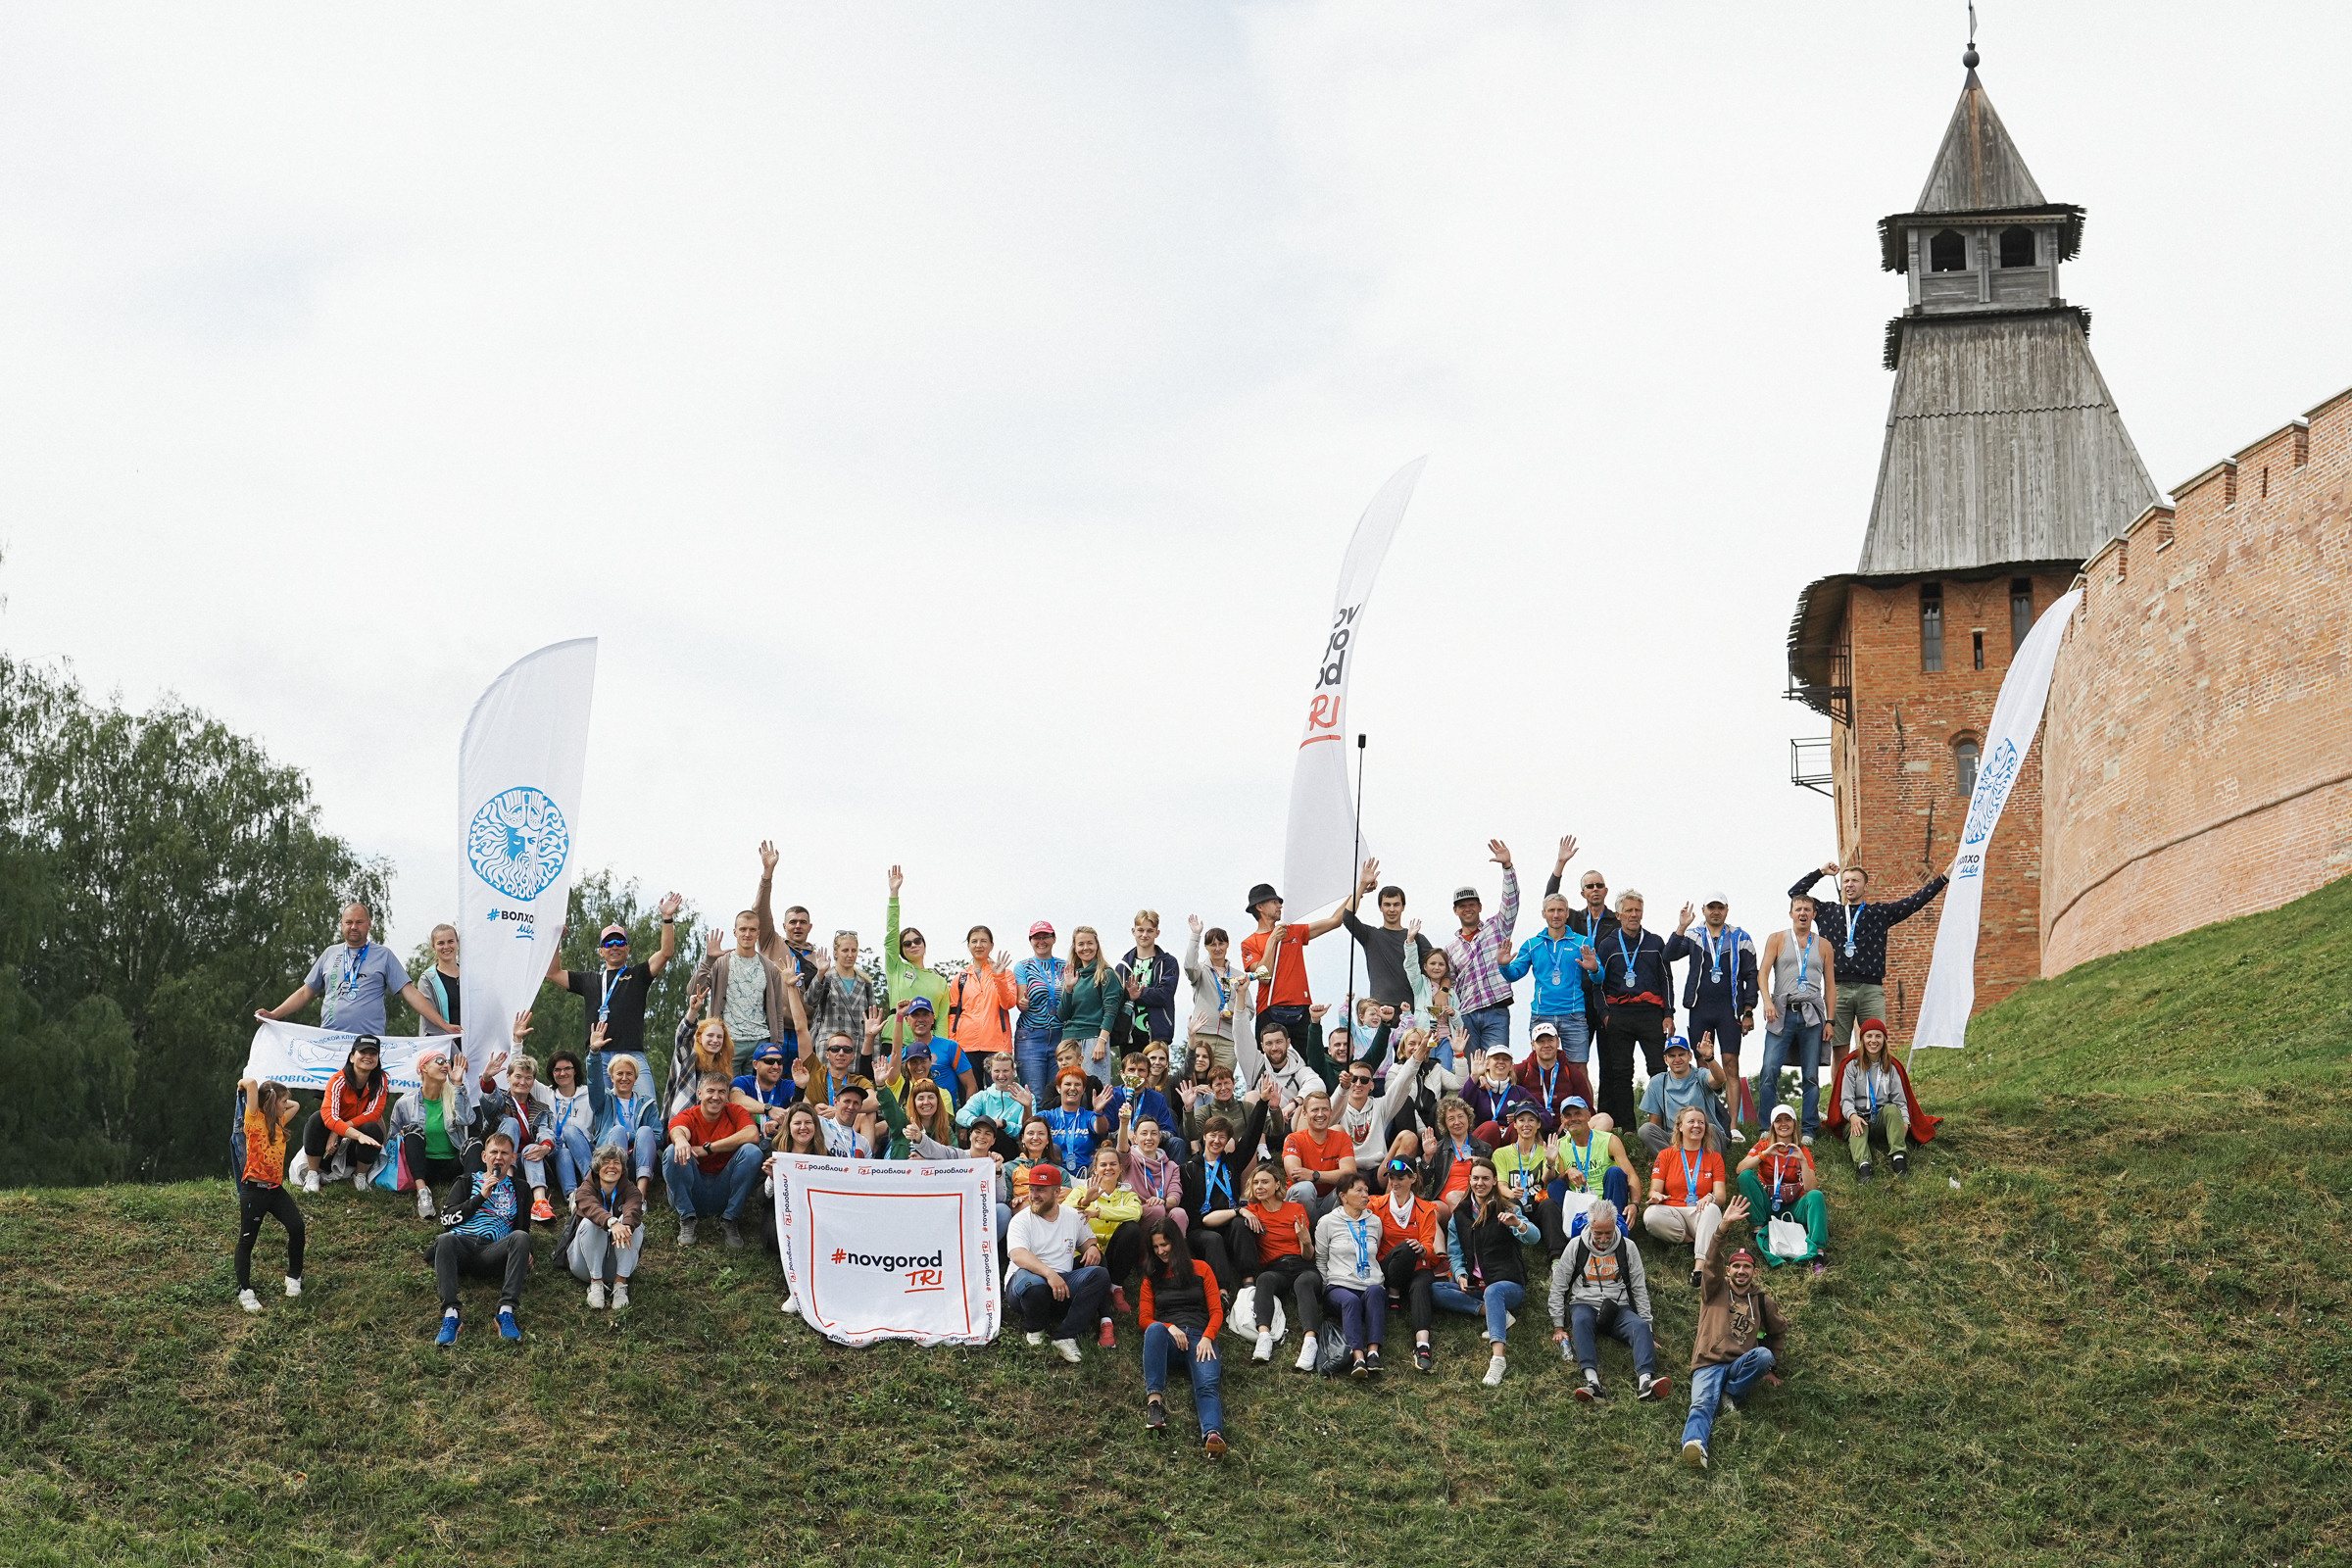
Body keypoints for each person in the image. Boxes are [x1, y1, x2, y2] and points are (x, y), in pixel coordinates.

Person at [1791, 859, 1950, 1058]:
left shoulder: (1879, 913)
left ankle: (1877, 1089)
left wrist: (1944, 877)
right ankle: (1840, 1090)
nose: (1850, 884)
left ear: (1865, 886)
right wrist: (1821, 872)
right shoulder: (1828, 912)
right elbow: (1795, 895)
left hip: (1871, 990)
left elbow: (1915, 902)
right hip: (1837, 990)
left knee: (1876, 1048)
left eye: (1855, 880)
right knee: (1839, 1051)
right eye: (1846, 880)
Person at [1681, 1197, 1788, 1469]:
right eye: (1736, 1266)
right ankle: (1695, 1446)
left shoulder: (1763, 1300)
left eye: (1747, 1266)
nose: (1741, 1271)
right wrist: (1723, 1227)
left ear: (1755, 1271)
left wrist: (1772, 1367)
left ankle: (1729, 1393)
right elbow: (1711, 1260)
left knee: (1762, 1356)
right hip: (1708, 1363)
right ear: (1728, 1270)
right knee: (1701, 1406)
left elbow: (1778, 1332)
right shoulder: (1713, 1289)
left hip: (1739, 1364)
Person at [549, 896, 683, 1096]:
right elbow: (553, 973)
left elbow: (666, 952)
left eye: (620, 941)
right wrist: (555, 940)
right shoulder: (589, 980)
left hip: (632, 1054)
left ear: (627, 949)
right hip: (599, 1056)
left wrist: (667, 918)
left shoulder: (638, 975)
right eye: (608, 943)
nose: (614, 946)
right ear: (601, 951)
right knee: (604, 1111)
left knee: (646, 1106)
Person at [258, 902, 452, 1037]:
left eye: (359, 922)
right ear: (341, 925)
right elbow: (304, 992)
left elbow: (411, 993)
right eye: (349, 922)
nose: (353, 927)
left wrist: (443, 1025)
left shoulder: (383, 955)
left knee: (367, 1096)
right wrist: (275, 1015)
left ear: (369, 925)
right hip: (331, 1040)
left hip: (368, 1045)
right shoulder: (329, 953)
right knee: (332, 1096)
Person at [1547, 1198, 1667, 1402]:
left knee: (1638, 1327)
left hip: (1617, 1305)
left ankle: (1646, 1383)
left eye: (1608, 1233)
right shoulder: (1575, 1246)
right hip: (1583, 1303)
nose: (1603, 1238)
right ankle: (1593, 1383)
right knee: (1581, 1322)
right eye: (1598, 1233)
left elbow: (1639, 1288)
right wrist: (1558, 1326)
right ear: (1590, 1226)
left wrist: (1648, 1331)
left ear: (1615, 1226)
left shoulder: (1628, 1247)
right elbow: (1558, 1286)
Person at [425, 1129, 534, 1346]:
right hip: (461, 1247)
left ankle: (506, 1311)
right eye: (494, 1152)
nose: (499, 1157)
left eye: (505, 1153)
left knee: (521, 1237)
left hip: (492, 1251)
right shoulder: (466, 1181)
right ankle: (451, 1315)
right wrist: (481, 1196)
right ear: (484, 1156)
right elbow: (447, 1219)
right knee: (445, 1239)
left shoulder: (520, 1188)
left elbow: (523, 1228)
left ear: (513, 1158)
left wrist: (525, 1251)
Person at [1436, 1158, 1538, 1386]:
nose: (1480, 1183)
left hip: (1508, 1285)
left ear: (1493, 1182)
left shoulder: (1508, 1209)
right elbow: (1454, 1253)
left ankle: (1498, 1359)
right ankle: (1494, 1314)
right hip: (1475, 1286)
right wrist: (1460, 1274)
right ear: (1469, 1180)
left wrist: (1517, 1225)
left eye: (1485, 1178)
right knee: (1435, 1288)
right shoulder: (1459, 1215)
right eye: (1475, 1178)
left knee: (1493, 1292)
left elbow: (1534, 1236)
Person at [1668, 895, 1760, 1140]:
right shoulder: (1695, 935)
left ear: (1727, 910)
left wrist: (1749, 1010)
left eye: (1720, 907)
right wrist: (1681, 926)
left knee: (1731, 1064)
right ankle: (1704, 1123)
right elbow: (1669, 954)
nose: (1716, 912)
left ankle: (1732, 1126)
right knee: (1702, 1067)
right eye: (1711, 908)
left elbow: (1751, 975)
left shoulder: (1742, 938)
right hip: (1699, 1008)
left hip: (1730, 1010)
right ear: (1704, 910)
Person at [1004, 1164, 1113, 1363]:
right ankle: (1035, 1328)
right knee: (1034, 1285)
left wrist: (1092, 1248)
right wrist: (1049, 1274)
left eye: (1041, 1190)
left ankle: (1065, 1335)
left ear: (1057, 1192)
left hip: (1062, 1285)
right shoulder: (1021, 1220)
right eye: (1032, 1189)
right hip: (1025, 1284)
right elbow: (1019, 1255)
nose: (1034, 1195)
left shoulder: (1072, 1215)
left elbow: (1088, 1240)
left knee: (1100, 1273)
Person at [1137, 1219, 1228, 1455]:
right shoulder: (1151, 1277)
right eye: (1155, 1247)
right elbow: (1145, 1319)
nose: (1161, 1251)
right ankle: (1154, 1406)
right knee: (1154, 1329)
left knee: (1207, 1385)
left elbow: (1217, 1311)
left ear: (1176, 1242)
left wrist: (1208, 1337)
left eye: (1164, 1244)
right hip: (1169, 1340)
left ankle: (1212, 1435)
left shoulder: (1202, 1269)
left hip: (1200, 1338)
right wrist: (1169, 1327)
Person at [1500, 894, 1600, 1107]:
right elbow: (1514, 974)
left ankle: (1588, 1118)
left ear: (1567, 913)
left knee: (1579, 1068)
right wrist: (1504, 965)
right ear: (1544, 913)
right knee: (1537, 1067)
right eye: (1551, 910)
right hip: (1542, 1014)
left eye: (1561, 910)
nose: (1556, 915)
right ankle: (1534, 1115)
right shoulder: (1533, 944)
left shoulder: (1582, 942)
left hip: (1573, 1014)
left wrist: (1593, 968)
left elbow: (1599, 977)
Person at [1757, 895, 1838, 1143]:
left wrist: (1830, 1021)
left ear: (1814, 914)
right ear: (1791, 913)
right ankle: (1767, 1127)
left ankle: (1809, 1129)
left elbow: (1831, 985)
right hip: (1782, 1011)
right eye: (1798, 909)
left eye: (1807, 909)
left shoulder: (1824, 945)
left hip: (1812, 1014)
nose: (1802, 913)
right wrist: (1767, 1001)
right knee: (1770, 1069)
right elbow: (1763, 973)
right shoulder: (1777, 939)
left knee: (1811, 1074)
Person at [1238, 881, 1348, 1058]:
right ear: (1259, 907)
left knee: (1314, 1063)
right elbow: (1264, 977)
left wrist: (1358, 890)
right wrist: (1273, 940)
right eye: (1274, 902)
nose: (1280, 905)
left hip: (1301, 1009)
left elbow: (1335, 921)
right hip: (1269, 1010)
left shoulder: (1293, 931)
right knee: (1267, 1067)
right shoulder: (1249, 943)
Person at [691, 912, 812, 1075]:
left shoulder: (769, 968)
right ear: (735, 932)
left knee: (755, 1095)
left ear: (758, 933)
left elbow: (776, 1009)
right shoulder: (721, 962)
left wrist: (776, 1044)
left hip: (760, 1042)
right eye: (743, 929)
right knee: (726, 1093)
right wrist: (708, 960)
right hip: (729, 1042)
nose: (747, 934)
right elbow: (694, 991)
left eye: (752, 930)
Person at [1593, 890, 1673, 1130]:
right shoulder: (1607, 945)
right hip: (1620, 1015)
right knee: (1621, 1073)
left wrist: (1669, 1013)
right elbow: (1598, 983)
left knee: (1659, 1070)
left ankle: (1661, 1126)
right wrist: (1605, 1015)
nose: (1634, 915)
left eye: (1637, 910)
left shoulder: (1655, 941)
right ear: (1618, 914)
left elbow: (1666, 979)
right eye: (1628, 910)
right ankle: (1628, 1128)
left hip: (1651, 1013)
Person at [1180, 1095, 1272, 1298]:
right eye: (1212, 1135)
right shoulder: (1187, 1170)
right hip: (1201, 1229)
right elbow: (1194, 1216)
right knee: (1213, 1238)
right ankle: (1222, 1290)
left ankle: (1249, 1282)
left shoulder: (1232, 1163)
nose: (1217, 1141)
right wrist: (1239, 1210)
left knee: (1241, 1224)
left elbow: (1251, 1137)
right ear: (1204, 1136)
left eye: (1222, 1137)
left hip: (1230, 1224)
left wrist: (1263, 1102)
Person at [1236, 1164, 1322, 1372]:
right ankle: (1264, 1336)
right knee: (1264, 1279)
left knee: (1304, 1282)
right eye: (1255, 1182)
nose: (1259, 1187)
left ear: (1277, 1185)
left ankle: (1310, 1341)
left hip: (1302, 1265)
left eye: (1265, 1182)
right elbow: (1208, 1219)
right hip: (1276, 1267)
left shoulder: (1295, 1209)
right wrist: (1241, 1211)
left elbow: (1308, 1255)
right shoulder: (1253, 1210)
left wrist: (1306, 1240)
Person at [1827, 1017, 1940, 1171]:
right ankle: (1864, 1166)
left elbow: (1900, 1101)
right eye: (1869, 1036)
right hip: (1858, 1118)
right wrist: (1852, 1116)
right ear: (1862, 1039)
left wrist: (1905, 1122)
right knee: (1859, 1127)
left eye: (1878, 1036)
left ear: (1884, 1040)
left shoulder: (1892, 1067)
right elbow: (1846, 1099)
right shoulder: (1851, 1065)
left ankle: (1898, 1158)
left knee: (1892, 1109)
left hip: (1882, 1120)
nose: (1873, 1041)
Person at [665, 1072, 763, 1249]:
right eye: (710, 1091)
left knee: (752, 1152)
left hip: (723, 1190)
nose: (716, 1097)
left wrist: (707, 1149)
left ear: (727, 1096)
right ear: (699, 1093)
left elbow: (752, 1134)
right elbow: (678, 1130)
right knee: (673, 1150)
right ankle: (687, 1217)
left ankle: (730, 1219)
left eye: (722, 1092)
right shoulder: (689, 1115)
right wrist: (680, 1140)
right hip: (693, 1190)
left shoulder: (735, 1111)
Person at [232, 1076, 305, 1313]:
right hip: (254, 1191)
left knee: (297, 1227)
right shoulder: (253, 1120)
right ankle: (245, 1290)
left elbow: (297, 1106)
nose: (288, 1105)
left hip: (275, 1190)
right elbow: (251, 1083)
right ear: (272, 1101)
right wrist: (242, 1087)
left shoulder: (279, 1121)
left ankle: (294, 1276)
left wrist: (280, 1101)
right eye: (283, 1101)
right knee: (247, 1241)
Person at [1444, 841, 1521, 1055]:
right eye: (1462, 906)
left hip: (1496, 1009)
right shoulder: (1450, 948)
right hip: (1466, 1014)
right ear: (1455, 910)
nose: (1467, 909)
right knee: (1472, 1072)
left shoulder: (1496, 927)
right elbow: (1448, 982)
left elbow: (1511, 901)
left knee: (1497, 1064)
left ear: (1479, 906)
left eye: (1471, 904)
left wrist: (1507, 867)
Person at [387, 1043, 481, 1220]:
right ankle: (423, 1192)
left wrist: (457, 1083)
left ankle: (473, 1195)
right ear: (423, 1068)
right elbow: (392, 1139)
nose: (446, 1065)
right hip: (422, 1166)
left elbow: (468, 1120)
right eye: (439, 1061)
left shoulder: (455, 1094)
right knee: (412, 1130)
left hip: (452, 1165)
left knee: (474, 1143)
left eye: (447, 1061)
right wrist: (400, 1136)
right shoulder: (405, 1102)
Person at [750, 841, 822, 1059]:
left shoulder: (820, 959)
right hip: (774, 1031)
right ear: (784, 926)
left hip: (808, 1033)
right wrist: (767, 874)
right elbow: (759, 911)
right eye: (793, 922)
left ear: (810, 927)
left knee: (803, 1088)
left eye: (802, 922)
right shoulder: (772, 943)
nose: (797, 926)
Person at [1374, 1155, 1446, 1371]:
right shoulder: (1376, 1204)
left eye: (1400, 1178)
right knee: (1405, 1247)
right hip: (1388, 1266)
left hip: (1417, 1266)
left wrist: (1423, 1249)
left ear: (1413, 1178)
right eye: (1392, 1178)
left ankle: (1422, 1345)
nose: (1395, 1182)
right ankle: (1393, 1294)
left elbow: (1430, 1248)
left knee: (1421, 1283)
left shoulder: (1427, 1209)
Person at [1645, 1105, 1730, 1289]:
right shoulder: (1666, 1155)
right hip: (1673, 1211)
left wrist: (1711, 1198)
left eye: (1701, 1122)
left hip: (1700, 1212)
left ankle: (1700, 1268)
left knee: (1713, 1209)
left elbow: (1721, 1196)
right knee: (1651, 1215)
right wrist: (1657, 1196)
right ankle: (1691, 1240)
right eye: (1691, 1121)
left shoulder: (1714, 1157)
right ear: (1680, 1127)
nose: (1696, 1125)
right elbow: (1653, 1190)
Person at [1738, 1104, 1829, 1272]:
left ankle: (1819, 1254)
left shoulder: (1802, 1150)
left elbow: (1812, 1187)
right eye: (1778, 1120)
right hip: (1767, 1207)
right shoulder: (1763, 1145)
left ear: (1794, 1123)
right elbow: (1740, 1168)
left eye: (1787, 1119)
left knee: (1816, 1196)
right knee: (1745, 1176)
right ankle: (1758, 1230)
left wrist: (1802, 1161)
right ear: (1772, 1125)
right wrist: (1764, 1154)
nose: (1783, 1124)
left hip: (1794, 1207)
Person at [296, 1035, 391, 1193]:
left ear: (377, 1059)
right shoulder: (337, 1080)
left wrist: (344, 1130)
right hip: (329, 1147)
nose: (368, 1056)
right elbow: (328, 1116)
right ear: (352, 1057)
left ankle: (360, 1176)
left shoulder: (380, 1079)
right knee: (316, 1118)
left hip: (354, 1146)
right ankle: (313, 1175)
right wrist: (346, 1133)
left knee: (372, 1128)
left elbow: (374, 1113)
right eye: (363, 1052)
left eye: (373, 1053)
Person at [1340, 858, 1435, 1016]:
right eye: (1387, 904)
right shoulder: (1370, 935)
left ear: (1403, 907)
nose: (1392, 909)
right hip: (1380, 1010)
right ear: (1380, 907)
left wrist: (1442, 992)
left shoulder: (1416, 938)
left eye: (1396, 904)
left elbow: (1437, 969)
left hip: (1410, 1010)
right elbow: (1347, 917)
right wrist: (1362, 885)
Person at [1069, 1147, 1145, 1344]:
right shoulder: (1080, 1190)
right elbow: (1064, 1215)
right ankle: (1106, 1321)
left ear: (1121, 1168)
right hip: (1087, 1254)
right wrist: (1086, 1201)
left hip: (1115, 1254)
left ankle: (1115, 1286)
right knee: (1096, 1254)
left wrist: (1099, 1213)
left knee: (1132, 1230)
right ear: (1095, 1169)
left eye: (1113, 1164)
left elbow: (1135, 1213)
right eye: (1103, 1164)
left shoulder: (1127, 1194)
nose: (1108, 1168)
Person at [1314, 1171, 1387, 1377]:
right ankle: (1358, 1358)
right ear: (1343, 1196)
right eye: (1359, 1191)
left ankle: (1373, 1353)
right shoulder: (1327, 1222)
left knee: (1375, 1292)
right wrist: (1326, 1286)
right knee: (1351, 1301)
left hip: (1370, 1284)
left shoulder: (1374, 1222)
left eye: (1367, 1190)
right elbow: (1321, 1258)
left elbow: (1376, 1249)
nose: (1366, 1195)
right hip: (1339, 1286)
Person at [477, 1045, 558, 1223]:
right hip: (500, 1161)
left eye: (528, 1078)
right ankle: (505, 1187)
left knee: (532, 1148)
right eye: (518, 1076)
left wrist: (545, 1146)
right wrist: (487, 1079)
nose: (523, 1082)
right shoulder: (502, 1102)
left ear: (533, 1081)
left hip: (527, 1162)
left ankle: (539, 1203)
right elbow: (490, 1101)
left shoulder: (540, 1108)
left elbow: (546, 1130)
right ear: (508, 1077)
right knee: (511, 1122)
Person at [568, 1141, 645, 1310]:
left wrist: (626, 1225)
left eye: (616, 1162)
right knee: (591, 1222)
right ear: (597, 1166)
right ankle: (595, 1284)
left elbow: (634, 1207)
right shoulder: (585, 1189)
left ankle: (620, 1284)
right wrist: (612, 1222)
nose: (612, 1166)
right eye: (606, 1162)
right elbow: (592, 1208)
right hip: (585, 1266)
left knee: (635, 1225)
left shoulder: (630, 1189)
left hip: (616, 1264)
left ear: (622, 1168)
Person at [1554, 1096, 1642, 1240]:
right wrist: (1567, 1172)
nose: (1573, 1118)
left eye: (1578, 1114)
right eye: (1568, 1115)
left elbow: (1631, 1175)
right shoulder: (1560, 1145)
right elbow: (1556, 1181)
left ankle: (1616, 1230)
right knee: (1555, 1184)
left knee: (1615, 1172)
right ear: (1562, 1120)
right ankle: (1566, 1234)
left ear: (1589, 1116)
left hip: (1607, 1202)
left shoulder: (1608, 1140)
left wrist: (1635, 1204)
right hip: (1578, 1204)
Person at [1491, 1103, 1566, 1257]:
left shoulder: (1546, 1151)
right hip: (1515, 1208)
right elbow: (1501, 1185)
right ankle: (1513, 1250)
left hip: (1537, 1205)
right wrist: (1513, 1192)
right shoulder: (1501, 1154)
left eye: (1531, 1120)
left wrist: (1550, 1162)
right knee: (1512, 1202)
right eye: (1522, 1120)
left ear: (1538, 1124)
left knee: (1549, 1204)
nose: (1526, 1124)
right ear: (1515, 1125)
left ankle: (1557, 1258)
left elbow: (1546, 1180)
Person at [803, 931, 879, 1081]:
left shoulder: (865, 984)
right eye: (845, 950)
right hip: (830, 1047)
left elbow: (873, 1023)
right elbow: (810, 1000)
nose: (850, 955)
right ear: (836, 953)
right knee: (826, 1091)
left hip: (856, 1048)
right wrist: (820, 974)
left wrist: (874, 1059)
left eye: (853, 950)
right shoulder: (826, 978)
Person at [947, 927, 1021, 1081]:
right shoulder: (960, 978)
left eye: (983, 941)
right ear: (968, 945)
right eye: (974, 941)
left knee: (1000, 1093)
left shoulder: (1005, 973)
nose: (978, 945)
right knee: (969, 1095)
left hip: (997, 1045)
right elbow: (953, 1014)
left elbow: (1009, 1003)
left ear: (991, 945)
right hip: (966, 1045)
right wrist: (953, 1044)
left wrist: (998, 976)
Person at [1182, 916, 1250, 1080]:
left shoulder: (1239, 975)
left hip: (1228, 1041)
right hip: (1202, 1036)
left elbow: (1250, 1011)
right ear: (1206, 947)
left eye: (1221, 943)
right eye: (1212, 944)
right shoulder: (1200, 970)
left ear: (1227, 945)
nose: (1217, 948)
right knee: (1194, 1082)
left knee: (1222, 1084)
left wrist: (1235, 1014)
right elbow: (1189, 966)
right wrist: (1195, 935)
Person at [592, 1046, 662, 1198]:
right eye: (620, 1073)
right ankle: (619, 1193)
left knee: (645, 1131)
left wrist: (632, 1136)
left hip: (639, 1159)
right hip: (609, 1160)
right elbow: (594, 1082)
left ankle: (640, 1195)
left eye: (629, 1073)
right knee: (618, 1130)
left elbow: (658, 1136)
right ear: (611, 1077)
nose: (624, 1078)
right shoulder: (603, 1101)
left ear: (636, 1077)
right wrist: (594, 1053)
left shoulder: (647, 1104)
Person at [1639, 1036, 1728, 1154]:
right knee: (1645, 1129)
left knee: (1712, 1129)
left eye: (1681, 1054)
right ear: (1665, 1059)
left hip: (1705, 1135)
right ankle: (1676, 1162)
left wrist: (1709, 1058)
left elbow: (1720, 1079)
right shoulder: (1658, 1082)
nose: (1677, 1059)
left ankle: (1707, 1167)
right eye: (1672, 1056)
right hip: (1675, 1139)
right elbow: (1655, 1123)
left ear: (1690, 1056)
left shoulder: (1700, 1074)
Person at [884, 998, 978, 1107]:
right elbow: (890, 1088)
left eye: (925, 1014)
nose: (920, 1019)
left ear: (933, 1018)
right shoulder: (901, 1055)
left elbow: (971, 1086)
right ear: (907, 1020)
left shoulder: (950, 1047)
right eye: (915, 1015)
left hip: (944, 1115)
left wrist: (967, 1118)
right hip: (911, 1116)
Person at [1011, 921, 1068, 1103]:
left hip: (1060, 1034)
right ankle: (1033, 1131)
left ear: (1054, 939)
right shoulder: (1023, 966)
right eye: (1037, 937)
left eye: (1045, 936)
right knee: (1033, 1094)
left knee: (1057, 1091)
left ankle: (1055, 1131)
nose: (1041, 941)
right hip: (1031, 1036)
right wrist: (1022, 1002)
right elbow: (1021, 1000)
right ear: (1030, 941)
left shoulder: (1066, 966)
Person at [1055, 927, 1120, 1086]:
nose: (1086, 948)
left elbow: (1110, 1011)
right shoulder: (1072, 975)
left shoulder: (1106, 974)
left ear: (1097, 945)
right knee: (1070, 1089)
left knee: (1094, 1090)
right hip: (1070, 1040)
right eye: (1081, 944)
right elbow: (1062, 1015)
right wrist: (1069, 989)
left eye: (1090, 943)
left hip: (1094, 1039)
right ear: (1075, 948)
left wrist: (1101, 1041)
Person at [1281, 1090, 1356, 1221]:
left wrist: (1314, 1175)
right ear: (1304, 1114)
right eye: (1315, 1110)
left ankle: (1334, 1233)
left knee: (1347, 1188)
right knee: (1305, 1188)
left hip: (1330, 1201)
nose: (1320, 1114)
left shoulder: (1342, 1138)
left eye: (1325, 1109)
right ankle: (1299, 1233)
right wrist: (1333, 1175)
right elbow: (1295, 1174)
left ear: (1331, 1112)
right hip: (1301, 1204)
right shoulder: (1294, 1139)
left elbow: (1350, 1174)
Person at [1115, 910, 1181, 1057]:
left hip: (1157, 1035)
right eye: (1140, 930)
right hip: (1129, 1036)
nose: (1144, 935)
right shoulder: (1123, 966)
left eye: (1149, 931)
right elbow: (1116, 998)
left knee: (1157, 1079)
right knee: (1131, 1078)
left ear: (1157, 933)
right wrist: (1128, 995)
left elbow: (1164, 995)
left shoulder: (1168, 962)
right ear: (1133, 931)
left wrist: (1137, 994)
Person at [1417, 1094, 1490, 1224]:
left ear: (1468, 1118)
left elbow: (1492, 1180)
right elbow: (1421, 1183)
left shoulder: (1484, 1148)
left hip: (1474, 1201)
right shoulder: (1438, 1149)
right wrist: (1427, 1157)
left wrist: (1481, 1166)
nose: (1457, 1122)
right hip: (1444, 1203)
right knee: (1430, 1212)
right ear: (1445, 1124)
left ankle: (1464, 1239)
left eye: (1461, 1116)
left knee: (1455, 1197)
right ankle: (1440, 1245)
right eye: (1451, 1119)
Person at [1512, 1018, 1591, 1134]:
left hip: (1565, 1128)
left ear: (1558, 1042)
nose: (1546, 1045)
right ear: (1533, 1044)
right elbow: (1499, 1086)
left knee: (1604, 1120)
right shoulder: (1522, 1070)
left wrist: (1569, 1122)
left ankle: (1582, 1148)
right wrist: (1483, 1078)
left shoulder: (1571, 1072)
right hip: (1532, 1129)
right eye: (1541, 1041)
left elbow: (1588, 1109)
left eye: (1550, 1040)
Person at [545, 1051, 597, 1201]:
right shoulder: (546, 1093)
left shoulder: (589, 1094)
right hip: (558, 1153)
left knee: (570, 1130)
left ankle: (592, 1182)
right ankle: (573, 1198)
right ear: (552, 1073)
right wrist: (517, 1041)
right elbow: (520, 1075)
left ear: (575, 1070)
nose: (563, 1073)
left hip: (585, 1150)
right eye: (557, 1069)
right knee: (564, 1152)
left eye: (567, 1068)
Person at [1464, 1044, 1542, 1145]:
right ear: (1487, 1064)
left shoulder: (1519, 1091)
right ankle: (1482, 1161)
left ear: (1511, 1066)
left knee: (1517, 1126)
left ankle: (1520, 1160)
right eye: (1496, 1058)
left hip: (1508, 1142)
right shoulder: (1478, 1088)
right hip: (1482, 1144)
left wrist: (1523, 1117)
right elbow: (1459, 1108)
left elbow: (1545, 1116)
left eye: (1505, 1059)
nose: (1501, 1062)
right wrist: (1474, 1077)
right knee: (1491, 1127)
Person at [1042, 1066, 1113, 1173]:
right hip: (1054, 1177)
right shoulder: (1049, 1115)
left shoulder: (1089, 1116)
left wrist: (1098, 1112)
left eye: (1077, 1084)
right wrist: (1027, 1108)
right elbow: (1029, 1128)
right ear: (1058, 1088)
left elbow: (1101, 1130)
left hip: (1085, 1176)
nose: (1072, 1088)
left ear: (1083, 1089)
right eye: (1067, 1084)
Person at [1124, 1115, 1186, 1234]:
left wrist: (1162, 1201)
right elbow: (1121, 1149)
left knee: (1179, 1213)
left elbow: (1175, 1197)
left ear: (1159, 1137)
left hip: (1163, 1209)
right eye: (1144, 1133)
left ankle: (1178, 1252)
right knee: (1156, 1210)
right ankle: (1146, 1252)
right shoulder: (1129, 1160)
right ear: (1135, 1139)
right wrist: (1123, 1123)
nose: (1149, 1138)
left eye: (1154, 1133)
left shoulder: (1171, 1166)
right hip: (1139, 1214)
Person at [731, 1042, 796, 1147]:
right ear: (755, 1064)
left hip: (779, 1144)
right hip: (748, 1145)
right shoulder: (743, 1082)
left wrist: (779, 1119)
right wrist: (769, 1109)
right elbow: (736, 1099)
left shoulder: (788, 1085)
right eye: (769, 1061)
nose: (776, 1066)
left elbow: (804, 1104)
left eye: (779, 1062)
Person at [957, 1051, 1034, 1137]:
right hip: (985, 1141)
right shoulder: (983, 1096)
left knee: (998, 1134)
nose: (1001, 1076)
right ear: (990, 1071)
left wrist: (1004, 1124)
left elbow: (1026, 1131)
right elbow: (961, 1115)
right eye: (997, 1071)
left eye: (1005, 1071)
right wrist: (983, 1122)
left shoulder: (1027, 1097)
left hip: (1012, 1145)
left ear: (1013, 1071)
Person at [416, 923, 463, 1036]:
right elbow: (429, 1022)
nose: (446, 947)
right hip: (441, 1046)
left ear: (457, 943)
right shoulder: (427, 980)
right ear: (434, 946)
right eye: (441, 943)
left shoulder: (469, 976)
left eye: (450, 941)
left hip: (471, 1044)